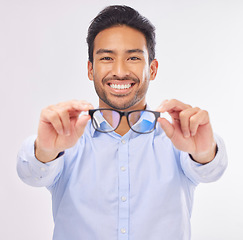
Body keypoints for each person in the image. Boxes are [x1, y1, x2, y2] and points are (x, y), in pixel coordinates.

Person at [17, 5, 227, 240]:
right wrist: (44, 151)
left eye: (133, 58)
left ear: (153, 68)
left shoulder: (178, 140)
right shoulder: (64, 140)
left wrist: (206, 152)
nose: (119, 71)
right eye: (107, 58)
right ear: (90, 69)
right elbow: (30, 173)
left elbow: (211, 171)